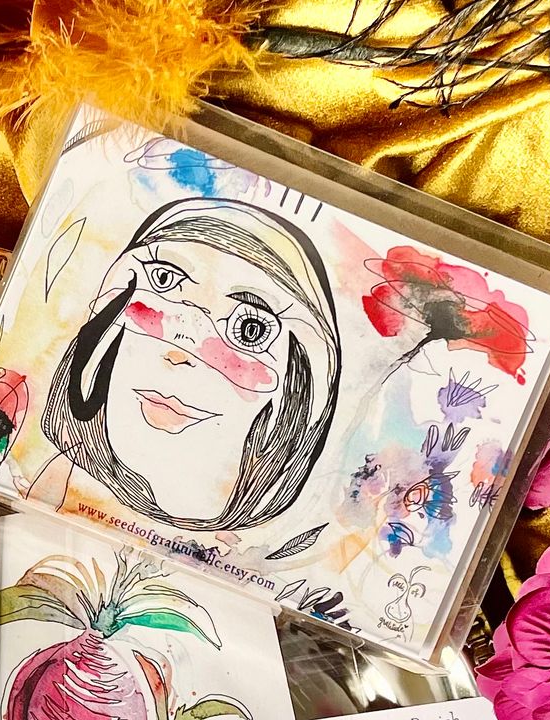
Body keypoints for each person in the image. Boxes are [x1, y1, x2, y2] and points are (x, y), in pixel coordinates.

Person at [27, 197, 341, 534]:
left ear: (298, 384)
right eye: (163, 279)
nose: (180, 354)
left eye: (251, 329)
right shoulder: (41, 482)